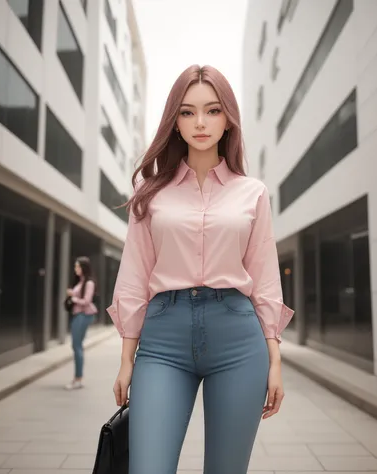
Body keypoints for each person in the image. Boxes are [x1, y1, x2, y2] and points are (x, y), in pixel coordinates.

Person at [107, 65, 294, 474]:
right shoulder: (150, 192)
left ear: (228, 120)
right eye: (188, 112)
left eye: (212, 111)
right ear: (175, 122)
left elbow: (264, 280)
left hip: (238, 340)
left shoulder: (253, 193)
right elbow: (135, 274)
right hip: (163, 340)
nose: (201, 123)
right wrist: (126, 357)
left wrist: (275, 360)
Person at [65, 256, 97, 390]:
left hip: (84, 315)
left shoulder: (89, 283)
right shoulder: (81, 282)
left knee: (77, 345)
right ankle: (77, 378)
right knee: (76, 345)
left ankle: (78, 379)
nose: (75, 269)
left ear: (83, 268)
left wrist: (73, 298)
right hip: (78, 315)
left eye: (77, 266)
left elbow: (87, 301)